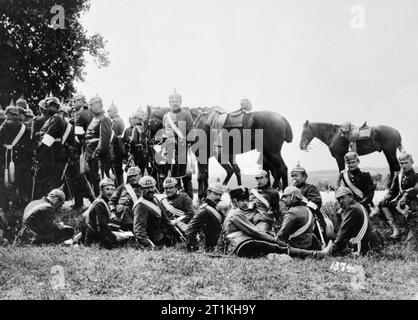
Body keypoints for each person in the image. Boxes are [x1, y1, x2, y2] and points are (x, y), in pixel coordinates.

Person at [220, 187, 333, 259]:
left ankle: (317, 252)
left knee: (276, 248)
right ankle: (318, 254)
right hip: (243, 245)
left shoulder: (233, 212)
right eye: (242, 201)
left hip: (239, 245)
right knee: (279, 249)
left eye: (246, 200)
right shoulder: (236, 214)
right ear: (234, 201)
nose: (246, 203)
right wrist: (276, 240)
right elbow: (256, 233)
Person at [33, 96, 75, 199]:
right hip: (58, 154)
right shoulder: (62, 119)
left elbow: (48, 139)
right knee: (53, 182)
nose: (45, 108)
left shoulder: (56, 118)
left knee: (44, 181)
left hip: (51, 154)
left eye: (47, 106)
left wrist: (37, 155)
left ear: (54, 106)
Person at [379, 152, 418, 247]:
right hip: (400, 202)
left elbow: (416, 190)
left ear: (412, 162)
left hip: (413, 201)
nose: (403, 165)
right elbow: (393, 191)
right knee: (382, 204)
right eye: (401, 163)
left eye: (406, 162)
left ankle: (411, 237)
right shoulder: (398, 175)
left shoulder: (416, 175)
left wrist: (406, 195)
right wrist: (387, 198)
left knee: (412, 213)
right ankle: (395, 228)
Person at [80, 178, 131, 249]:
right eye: (107, 189)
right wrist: (115, 237)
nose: (110, 192)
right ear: (101, 190)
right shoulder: (100, 204)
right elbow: (101, 227)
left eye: (112, 189)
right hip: (94, 238)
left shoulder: (103, 202)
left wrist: (117, 229)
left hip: (95, 233)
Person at [291, 163, 334, 246]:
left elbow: (316, 204)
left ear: (304, 177)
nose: (294, 178)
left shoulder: (311, 188)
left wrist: (300, 199)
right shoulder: (291, 190)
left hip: (312, 216)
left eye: (296, 176)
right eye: (292, 176)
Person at [162, 89, 194, 198]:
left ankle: (189, 199)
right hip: (170, 150)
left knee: (186, 177)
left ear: (180, 102)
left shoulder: (186, 114)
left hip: (182, 148)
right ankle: (177, 201)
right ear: (169, 103)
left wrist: (184, 141)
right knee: (173, 177)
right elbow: (164, 132)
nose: (174, 103)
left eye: (176, 101)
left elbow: (192, 132)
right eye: (172, 101)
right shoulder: (166, 116)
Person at [0, 106, 33, 210]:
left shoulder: (4, 126)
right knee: (19, 182)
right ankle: (19, 206)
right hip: (20, 160)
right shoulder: (24, 128)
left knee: (5, 182)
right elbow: (28, 147)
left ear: (9, 114)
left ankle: (5, 206)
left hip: (6, 158)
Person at [133, 176, 179, 248]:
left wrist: (178, 235)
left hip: (162, 238)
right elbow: (139, 232)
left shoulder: (155, 199)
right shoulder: (140, 205)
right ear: (141, 189)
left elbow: (165, 220)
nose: (150, 190)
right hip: (154, 242)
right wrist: (152, 247)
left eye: (152, 187)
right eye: (147, 188)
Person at [334, 187, 382, 256]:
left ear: (351, 196)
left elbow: (343, 231)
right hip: (373, 242)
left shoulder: (352, 209)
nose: (340, 201)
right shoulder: (359, 205)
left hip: (366, 245)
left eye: (342, 197)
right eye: (338, 199)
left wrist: (333, 247)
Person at [84, 96, 112, 196]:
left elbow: (104, 140)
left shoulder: (104, 119)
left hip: (98, 157)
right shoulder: (94, 118)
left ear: (99, 105)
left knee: (101, 181)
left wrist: (97, 154)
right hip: (90, 154)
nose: (90, 108)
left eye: (92, 105)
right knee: (93, 180)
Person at [186, 183, 225, 252]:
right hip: (209, 248)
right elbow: (190, 228)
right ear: (208, 192)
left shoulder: (216, 208)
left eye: (220, 195)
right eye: (216, 194)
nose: (218, 197)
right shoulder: (205, 209)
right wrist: (194, 248)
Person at [109, 166, 142, 231]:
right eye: (130, 176)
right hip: (119, 216)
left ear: (140, 175)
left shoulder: (144, 188)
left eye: (135, 176)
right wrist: (112, 213)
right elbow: (111, 201)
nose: (132, 178)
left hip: (135, 216)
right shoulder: (122, 187)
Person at [107, 101, 125, 186]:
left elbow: (112, 135)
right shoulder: (120, 120)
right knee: (118, 169)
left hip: (115, 146)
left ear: (114, 111)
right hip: (119, 145)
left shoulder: (115, 121)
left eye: (109, 111)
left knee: (116, 169)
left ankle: (119, 186)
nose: (108, 114)